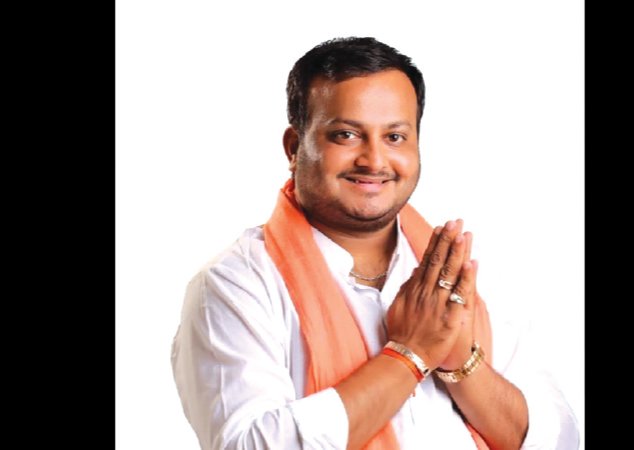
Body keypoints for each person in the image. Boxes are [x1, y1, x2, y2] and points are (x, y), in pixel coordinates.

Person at [171, 36, 579, 450]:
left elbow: (560, 438)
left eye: (395, 137)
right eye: (346, 135)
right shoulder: (236, 284)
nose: (374, 161)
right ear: (294, 148)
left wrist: (462, 364)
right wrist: (410, 355)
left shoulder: (460, 272)